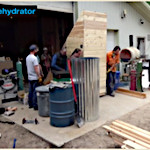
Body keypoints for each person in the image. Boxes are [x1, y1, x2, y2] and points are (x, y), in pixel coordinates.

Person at [26, 44, 41, 110]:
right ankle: (35, 105)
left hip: (29, 77)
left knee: (30, 91)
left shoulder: (27, 57)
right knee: (35, 91)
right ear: (34, 50)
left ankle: (30, 104)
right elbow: (36, 68)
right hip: (35, 77)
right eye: (36, 49)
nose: (37, 50)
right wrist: (39, 76)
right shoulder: (34, 58)